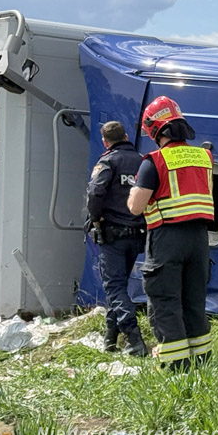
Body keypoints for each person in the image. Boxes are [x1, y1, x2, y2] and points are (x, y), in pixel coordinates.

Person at [127, 96, 214, 372]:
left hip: (167, 238)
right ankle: (201, 365)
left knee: (166, 303)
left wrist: (132, 191)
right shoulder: (204, 156)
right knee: (194, 302)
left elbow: (136, 207)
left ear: (155, 129)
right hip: (199, 240)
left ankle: (176, 369)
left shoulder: (154, 161)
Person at [86, 121, 148, 356]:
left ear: (105, 142)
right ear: (126, 136)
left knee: (114, 287)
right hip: (137, 234)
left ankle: (135, 339)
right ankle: (110, 340)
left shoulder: (108, 161)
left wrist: (95, 219)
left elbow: (94, 192)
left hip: (112, 235)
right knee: (119, 285)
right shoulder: (142, 161)